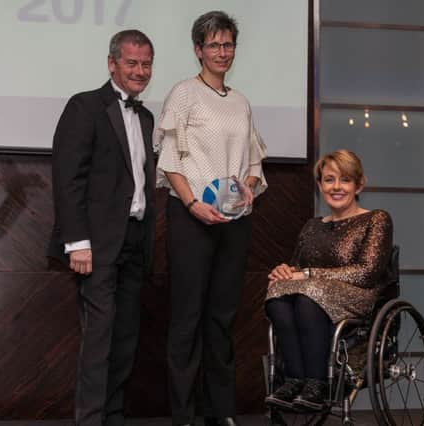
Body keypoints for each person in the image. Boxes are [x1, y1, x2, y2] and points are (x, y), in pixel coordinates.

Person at [154, 11, 267, 426]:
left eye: (228, 44)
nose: (223, 52)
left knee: (222, 318)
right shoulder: (183, 94)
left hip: (235, 222)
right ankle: (184, 416)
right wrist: (191, 204)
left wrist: (248, 188)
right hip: (191, 219)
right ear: (198, 50)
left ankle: (222, 414)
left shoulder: (241, 102)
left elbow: (254, 161)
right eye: (214, 45)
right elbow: (169, 161)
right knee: (187, 319)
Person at [47, 30, 156, 426]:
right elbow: (67, 178)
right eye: (131, 63)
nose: (140, 71)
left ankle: (112, 417)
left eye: (146, 64)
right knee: (99, 339)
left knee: (125, 339)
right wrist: (77, 242)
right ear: (112, 63)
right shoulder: (84, 107)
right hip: (94, 245)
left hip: (134, 242)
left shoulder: (145, 117)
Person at [264, 149, 393, 411]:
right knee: (278, 294)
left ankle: (317, 384)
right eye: (329, 179)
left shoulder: (376, 219)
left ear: (359, 184)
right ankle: (294, 380)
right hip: (311, 295)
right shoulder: (312, 226)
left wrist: (309, 275)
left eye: (345, 180)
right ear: (320, 184)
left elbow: (366, 272)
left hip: (358, 294)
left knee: (306, 297)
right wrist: (283, 271)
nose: (336, 187)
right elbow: (297, 268)